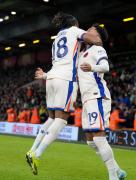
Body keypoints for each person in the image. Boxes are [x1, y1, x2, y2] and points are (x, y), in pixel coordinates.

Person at [26, 12, 102, 175]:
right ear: (74, 23)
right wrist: (95, 37)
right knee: (61, 120)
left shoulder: (57, 38)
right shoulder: (75, 31)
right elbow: (96, 40)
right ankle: (36, 154)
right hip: (65, 79)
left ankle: (31, 149)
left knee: (52, 118)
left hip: (51, 77)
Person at [78, 24, 127, 180]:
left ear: (97, 36)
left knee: (99, 137)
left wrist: (92, 67)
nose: (87, 31)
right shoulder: (83, 52)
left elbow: (105, 66)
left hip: (96, 95)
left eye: (91, 30)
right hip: (86, 99)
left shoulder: (98, 49)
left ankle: (113, 176)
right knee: (91, 142)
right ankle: (118, 171)